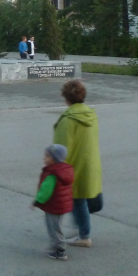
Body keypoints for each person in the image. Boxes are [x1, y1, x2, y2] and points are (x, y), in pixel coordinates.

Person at [52, 79, 102, 248]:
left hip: (76, 166)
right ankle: (79, 227)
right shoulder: (91, 114)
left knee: (78, 200)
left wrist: (56, 171)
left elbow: (61, 149)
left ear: (66, 98)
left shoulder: (67, 120)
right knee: (80, 199)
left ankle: (84, 235)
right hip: (90, 163)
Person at [32, 144, 74, 261]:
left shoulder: (52, 174)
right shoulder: (64, 170)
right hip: (61, 204)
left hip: (54, 205)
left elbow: (46, 191)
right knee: (57, 225)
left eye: (47, 156)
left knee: (54, 227)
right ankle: (56, 246)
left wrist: (36, 201)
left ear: (55, 159)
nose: (44, 159)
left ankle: (60, 250)